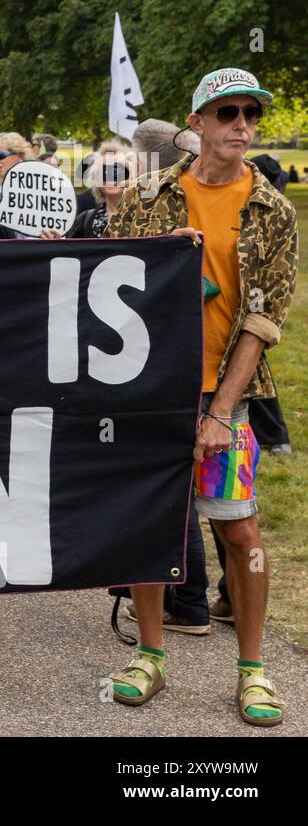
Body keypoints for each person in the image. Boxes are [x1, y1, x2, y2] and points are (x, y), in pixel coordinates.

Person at [105, 67, 296, 728]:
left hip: (227, 392)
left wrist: (219, 412)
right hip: (150, 389)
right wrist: (159, 254)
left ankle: (253, 671)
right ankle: (151, 655)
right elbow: (107, 286)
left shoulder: (273, 209)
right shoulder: (144, 197)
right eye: (227, 113)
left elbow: (263, 321)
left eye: (250, 114)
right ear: (197, 123)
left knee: (238, 528)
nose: (241, 125)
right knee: (150, 520)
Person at [62, 141, 135, 239]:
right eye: (104, 171)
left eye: (118, 170)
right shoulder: (85, 220)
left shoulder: (147, 218)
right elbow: (68, 248)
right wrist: (55, 240)